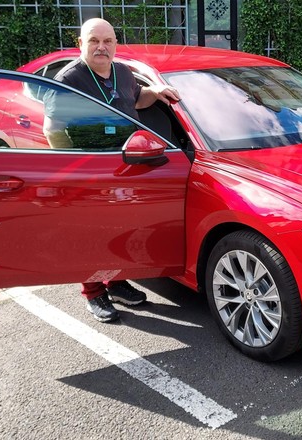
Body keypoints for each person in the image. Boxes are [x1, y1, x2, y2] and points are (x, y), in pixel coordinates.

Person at [43, 18, 181, 322]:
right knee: (91, 235)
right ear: (81, 44)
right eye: (94, 41)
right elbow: (52, 130)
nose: (101, 47)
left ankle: (117, 282)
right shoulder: (69, 80)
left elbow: (136, 101)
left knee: (118, 231)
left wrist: (156, 91)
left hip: (124, 166)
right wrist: (78, 168)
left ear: (115, 44)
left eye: (108, 41)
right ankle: (93, 293)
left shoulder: (121, 72)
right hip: (90, 171)